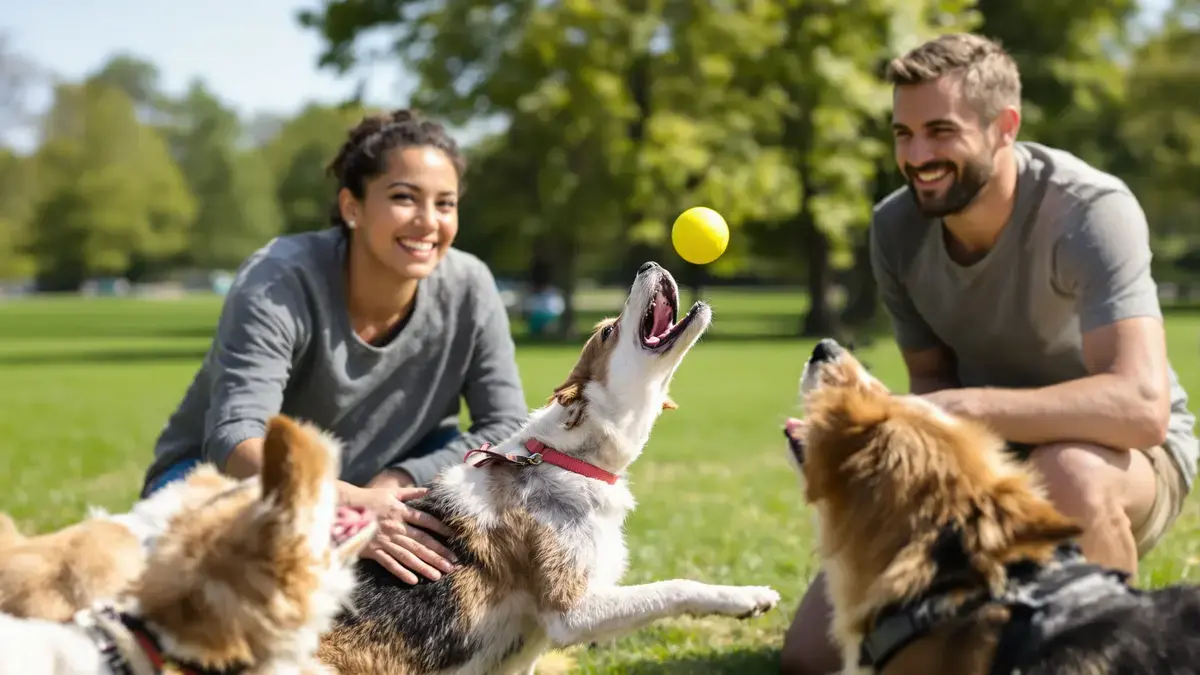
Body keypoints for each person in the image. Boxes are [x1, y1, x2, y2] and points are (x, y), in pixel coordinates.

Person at [780, 33, 1198, 674]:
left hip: (1123, 458)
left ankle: (1106, 646)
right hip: (988, 460)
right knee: (813, 654)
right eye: (903, 134)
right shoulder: (896, 228)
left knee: (1069, 475)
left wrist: (960, 408)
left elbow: (1141, 408)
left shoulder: (1089, 211)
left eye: (940, 132)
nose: (917, 156)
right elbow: (930, 383)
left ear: (1005, 127)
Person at [139, 109, 530, 587]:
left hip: (374, 489)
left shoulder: (470, 286)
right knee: (234, 596)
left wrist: (398, 481)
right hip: (222, 482)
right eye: (404, 198)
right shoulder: (279, 278)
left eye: (445, 204)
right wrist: (343, 505)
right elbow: (236, 438)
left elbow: (506, 426)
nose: (429, 222)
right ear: (352, 208)